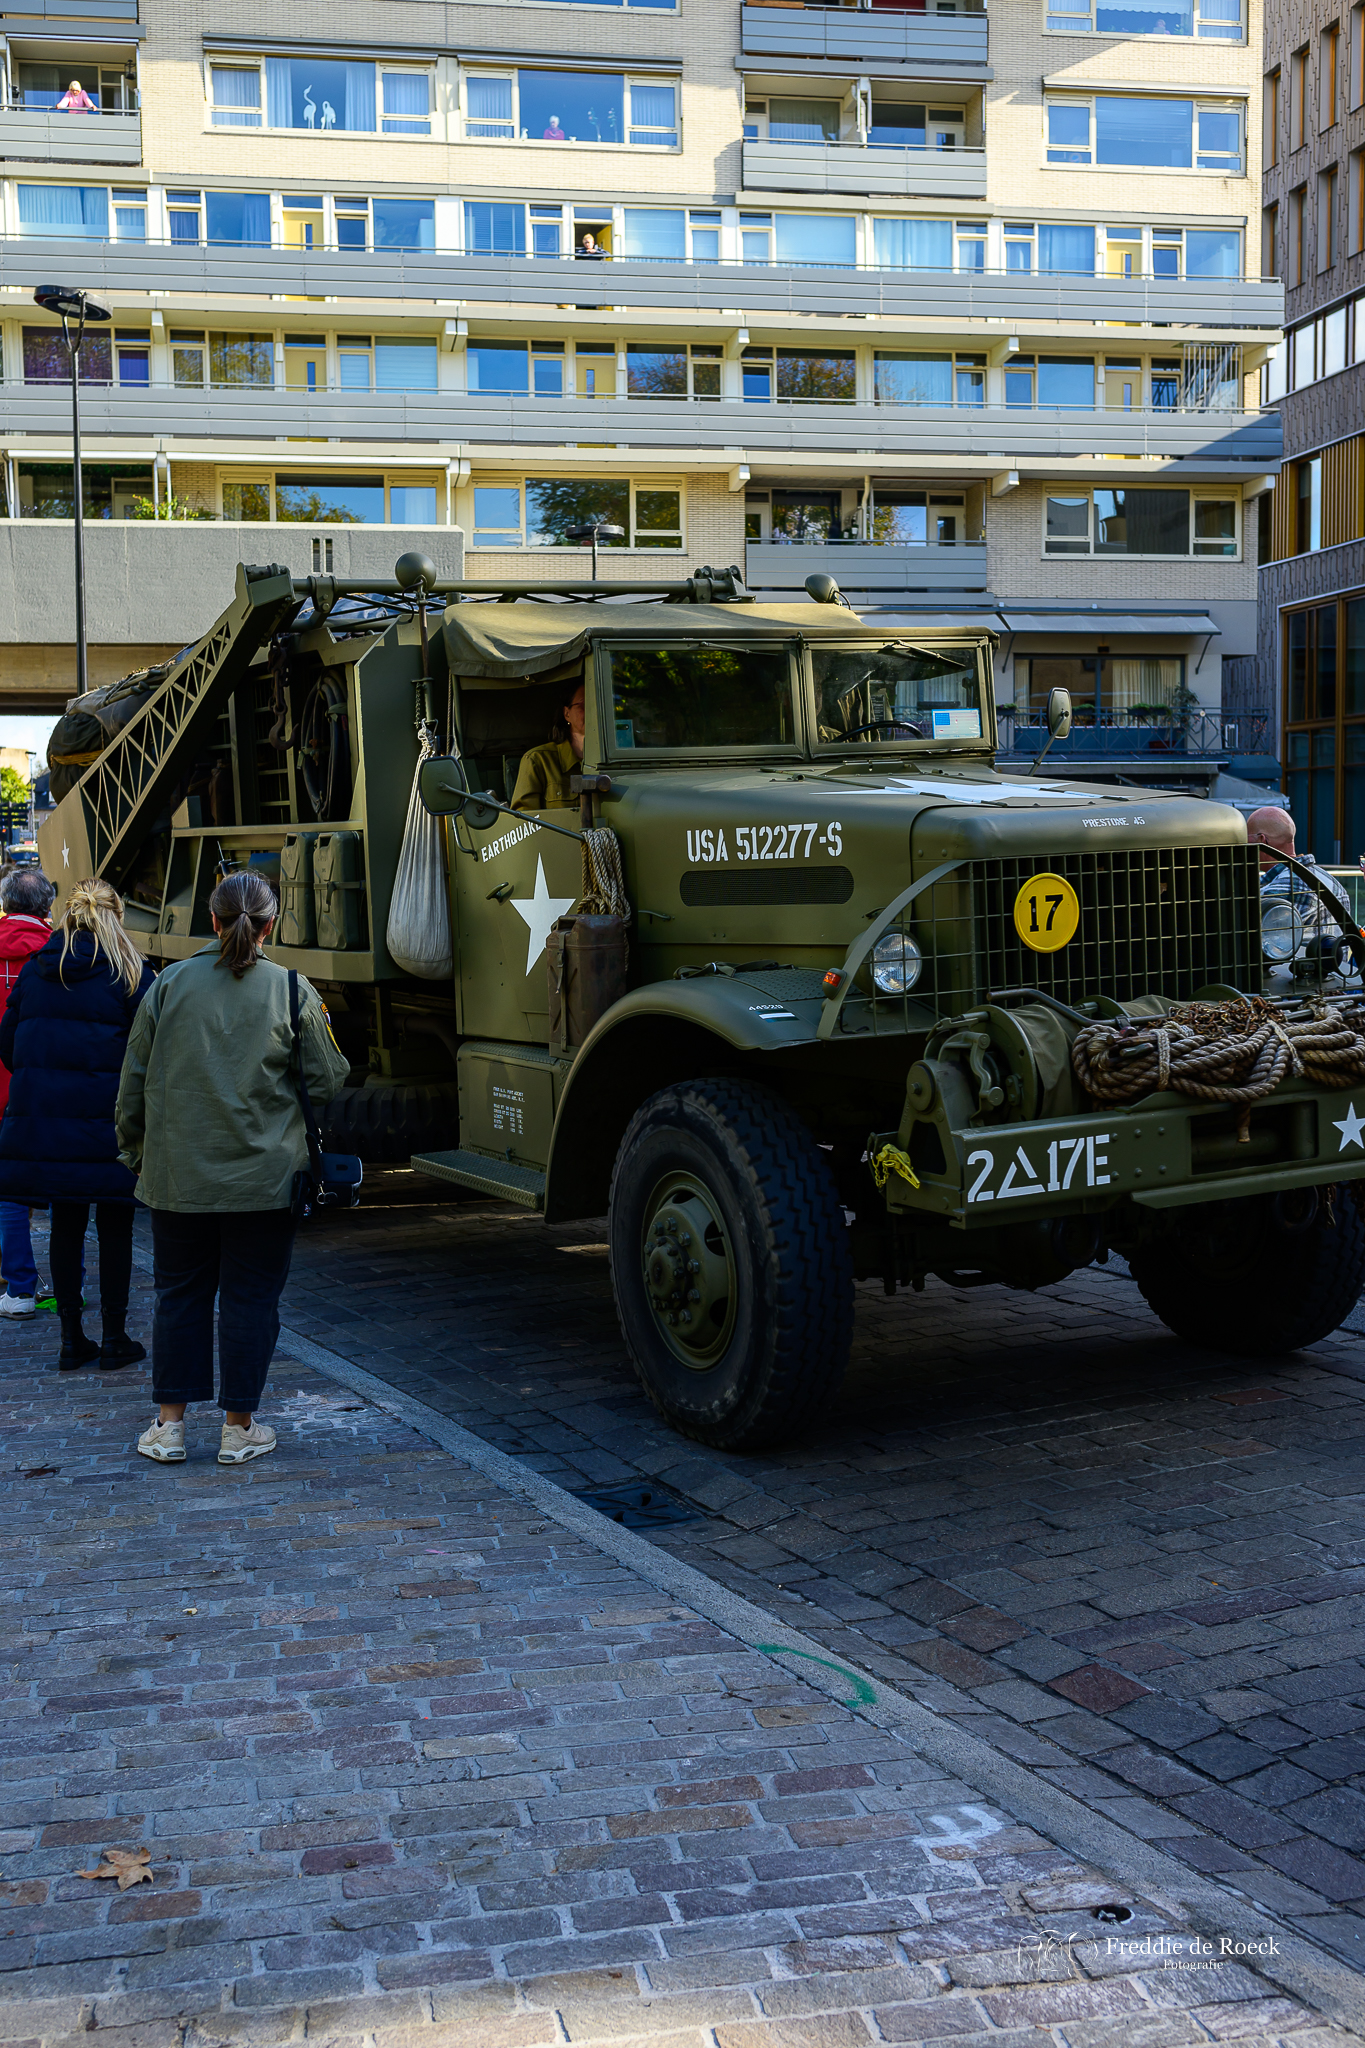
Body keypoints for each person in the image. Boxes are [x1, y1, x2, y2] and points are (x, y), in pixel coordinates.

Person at [117, 871, 349, 1467]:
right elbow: (326, 1079)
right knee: (250, 1300)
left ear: (212, 921)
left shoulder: (168, 985)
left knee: (179, 1296)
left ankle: (169, 1428)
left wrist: (137, 1154)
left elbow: (133, 1084)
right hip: (265, 1181)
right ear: (270, 926)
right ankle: (238, 1427)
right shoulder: (292, 989)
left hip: (178, 1177)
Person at [0, 878, 154, 1368]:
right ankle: (113, 1336)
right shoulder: (131, 973)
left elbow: (9, 1043)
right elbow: (153, 1050)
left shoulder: (38, 970)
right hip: (113, 1122)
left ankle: (71, 1338)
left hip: (50, 1122)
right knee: (116, 1227)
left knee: (65, 1224)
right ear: (115, 917)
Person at [0, 867, 56, 1318]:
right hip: (48, 1091)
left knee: (9, 1193)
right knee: (62, 1192)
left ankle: (17, 1284)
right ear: (47, 908)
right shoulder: (59, 954)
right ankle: (54, 1286)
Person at [511, 682, 586, 811]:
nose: (593, 711)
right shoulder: (538, 761)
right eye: (584, 705)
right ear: (567, 713)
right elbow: (525, 823)